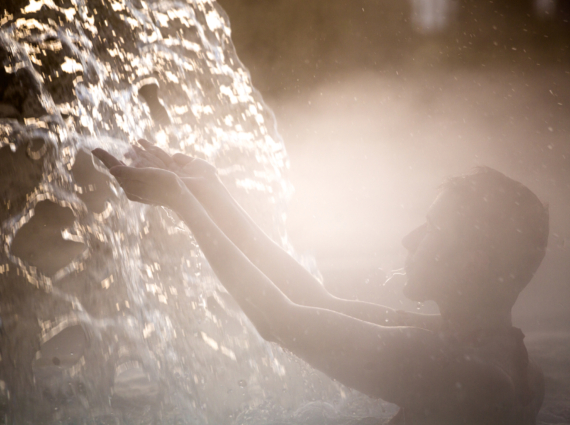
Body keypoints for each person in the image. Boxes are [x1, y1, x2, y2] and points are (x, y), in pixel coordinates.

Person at [92, 141, 548, 425]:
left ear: (473, 263)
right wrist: (210, 191)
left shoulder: (474, 376)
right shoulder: (499, 357)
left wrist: (181, 202)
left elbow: (281, 321)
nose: (410, 240)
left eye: (432, 230)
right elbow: (312, 299)